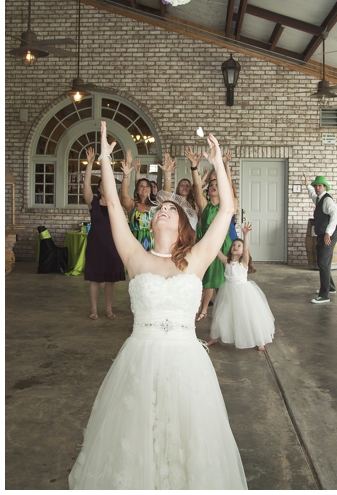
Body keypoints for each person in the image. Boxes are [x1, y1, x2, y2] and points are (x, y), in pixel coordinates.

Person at [69, 122, 247, 489]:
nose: (163, 210)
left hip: (186, 361)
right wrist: (104, 158)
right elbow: (116, 209)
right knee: (137, 440)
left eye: (171, 209)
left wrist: (217, 163)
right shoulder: (135, 256)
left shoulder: (196, 259)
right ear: (151, 221)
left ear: (183, 224)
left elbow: (227, 209)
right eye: (159, 208)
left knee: (188, 438)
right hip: (140, 358)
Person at [186, 147, 239, 321]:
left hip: (224, 245)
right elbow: (196, 187)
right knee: (206, 278)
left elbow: (229, 188)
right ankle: (202, 309)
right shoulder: (203, 205)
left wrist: (225, 165)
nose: (215, 186)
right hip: (206, 245)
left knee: (225, 280)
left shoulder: (228, 205)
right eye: (212, 185)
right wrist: (194, 167)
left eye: (218, 185)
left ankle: (227, 309)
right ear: (208, 190)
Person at [208, 221, 275, 351]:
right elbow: (216, 250)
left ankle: (259, 339)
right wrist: (215, 233)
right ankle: (215, 336)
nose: (236, 247)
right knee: (223, 315)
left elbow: (246, 249)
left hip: (244, 293)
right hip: (228, 292)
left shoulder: (243, 262)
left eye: (239, 245)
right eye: (234, 245)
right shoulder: (226, 262)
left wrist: (246, 235)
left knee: (249, 316)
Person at [81, 147, 125, 320]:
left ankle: (108, 309)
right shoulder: (93, 202)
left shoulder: (117, 204)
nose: (105, 187)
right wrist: (90, 164)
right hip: (96, 245)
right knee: (95, 279)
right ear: (99, 189)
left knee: (111, 279)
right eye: (103, 185)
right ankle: (94, 310)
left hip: (113, 245)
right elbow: (85, 185)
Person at [303, 174, 337, 304]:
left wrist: (328, 233)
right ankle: (330, 287)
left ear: (325, 187)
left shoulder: (327, 200)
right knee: (323, 262)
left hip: (328, 235)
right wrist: (307, 185)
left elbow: (335, 215)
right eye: (316, 186)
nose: (317, 188)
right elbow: (312, 194)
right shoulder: (319, 199)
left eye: (319, 186)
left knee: (323, 263)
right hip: (322, 235)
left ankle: (324, 295)